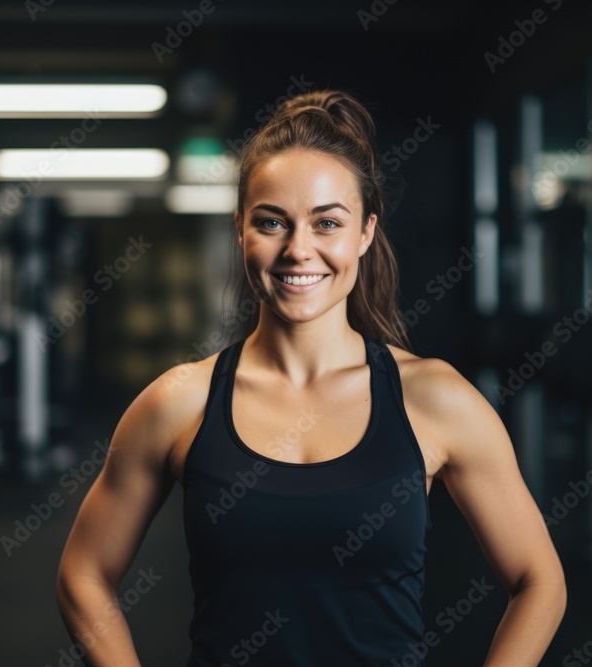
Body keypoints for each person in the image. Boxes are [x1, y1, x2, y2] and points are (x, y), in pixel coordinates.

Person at [56, 88, 566, 666]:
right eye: (272, 222)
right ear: (241, 231)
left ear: (366, 234)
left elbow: (538, 580)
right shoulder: (180, 402)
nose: (299, 250)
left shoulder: (434, 399)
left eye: (327, 223)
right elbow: (84, 573)